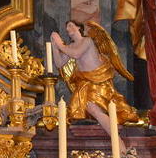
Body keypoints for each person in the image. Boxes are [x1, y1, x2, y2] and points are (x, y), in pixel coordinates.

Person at [51, 20, 138, 150]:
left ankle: (118, 142)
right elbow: (59, 63)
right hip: (85, 83)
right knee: (92, 110)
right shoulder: (71, 46)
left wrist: (59, 44)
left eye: (70, 25)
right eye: (66, 26)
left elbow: (76, 54)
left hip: (98, 81)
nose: (68, 28)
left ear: (79, 27)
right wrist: (54, 46)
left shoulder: (87, 41)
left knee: (94, 109)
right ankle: (117, 142)